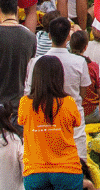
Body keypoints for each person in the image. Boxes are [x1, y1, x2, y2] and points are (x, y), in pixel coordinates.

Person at [16, 57, 83, 190]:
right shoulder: (68, 102)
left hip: (35, 171)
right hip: (67, 169)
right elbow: (76, 122)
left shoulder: (25, 103)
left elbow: (21, 121)